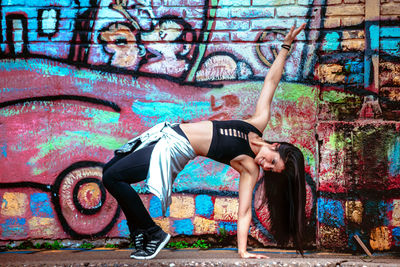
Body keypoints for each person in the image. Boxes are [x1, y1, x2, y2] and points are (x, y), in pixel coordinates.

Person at [102, 23, 307, 260]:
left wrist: (243, 252)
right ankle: (140, 232)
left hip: (174, 148)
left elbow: (244, 212)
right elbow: (271, 82)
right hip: (164, 133)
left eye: (271, 169)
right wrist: (285, 46)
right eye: (272, 161)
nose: (266, 166)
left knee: (113, 177)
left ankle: (151, 232)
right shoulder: (257, 123)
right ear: (275, 146)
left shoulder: (249, 168)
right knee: (110, 170)